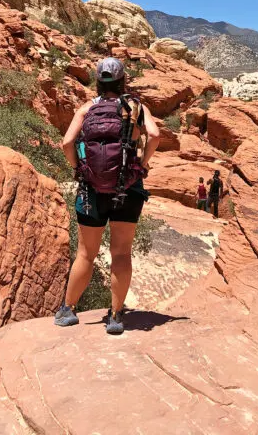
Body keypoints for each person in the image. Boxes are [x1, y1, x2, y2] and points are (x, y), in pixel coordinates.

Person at [54, 57, 160, 335]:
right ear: (123, 80)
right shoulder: (136, 107)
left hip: (91, 189)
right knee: (121, 253)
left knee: (86, 253)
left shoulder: (88, 108)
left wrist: (79, 168)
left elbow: (66, 143)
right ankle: (115, 316)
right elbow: (155, 134)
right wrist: (143, 163)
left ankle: (68, 310)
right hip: (129, 187)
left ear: (98, 82)